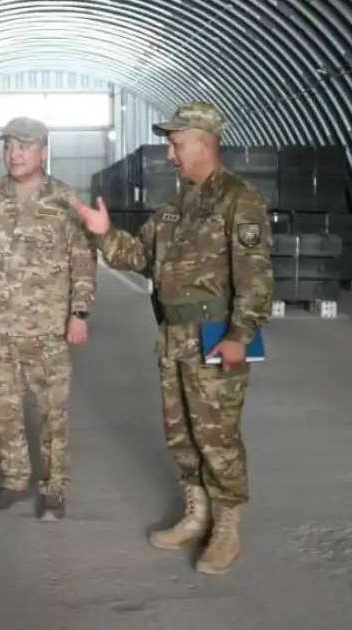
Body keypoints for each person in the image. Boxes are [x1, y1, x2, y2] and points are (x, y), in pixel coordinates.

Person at [71, 101, 273, 573]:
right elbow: (138, 255)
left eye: (176, 143)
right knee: (181, 433)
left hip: (216, 332)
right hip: (173, 334)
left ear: (204, 142)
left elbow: (257, 277)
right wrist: (104, 234)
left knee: (217, 436)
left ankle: (227, 527)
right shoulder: (174, 209)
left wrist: (240, 335)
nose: (169, 153)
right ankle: (196, 513)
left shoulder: (238, 200)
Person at [0, 116, 96, 521]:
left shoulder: (65, 200)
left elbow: (83, 262)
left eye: (25, 146)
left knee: (53, 412)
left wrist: (79, 313)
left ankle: (53, 489)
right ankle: (14, 481)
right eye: (9, 146)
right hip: (0, 326)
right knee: (5, 409)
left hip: (49, 329)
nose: (14, 154)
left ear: (43, 152)